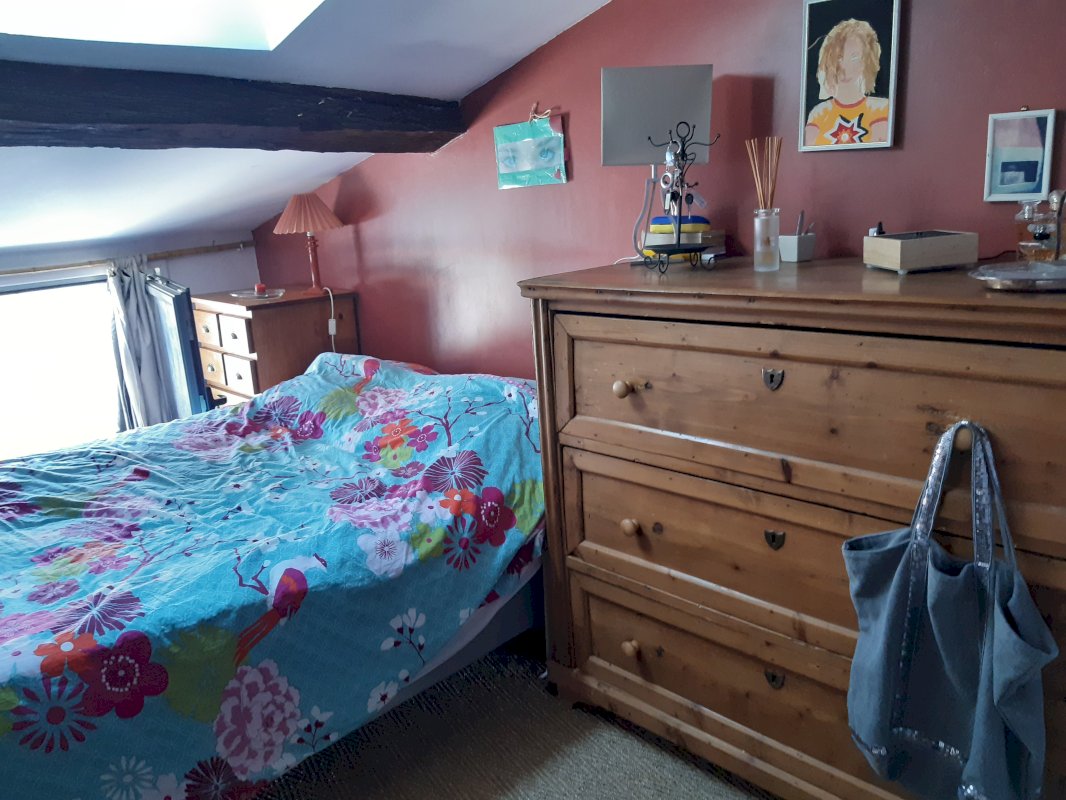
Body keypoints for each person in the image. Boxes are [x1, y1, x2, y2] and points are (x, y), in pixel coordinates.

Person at [804, 18, 889, 147]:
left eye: (854, 57)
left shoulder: (881, 108)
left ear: (866, 61)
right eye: (839, 58)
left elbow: (879, 154)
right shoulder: (819, 113)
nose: (845, 67)